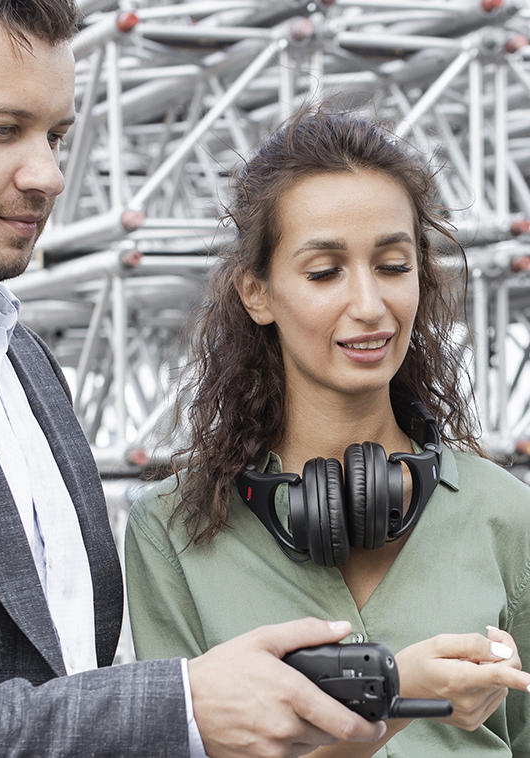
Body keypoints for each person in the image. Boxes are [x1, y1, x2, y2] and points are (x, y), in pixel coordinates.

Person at [0, 3, 390, 757]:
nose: (49, 175)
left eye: (56, 136)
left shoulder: (23, 358)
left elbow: (64, 677)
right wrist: (184, 707)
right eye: (4, 130)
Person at [125, 107, 530, 757]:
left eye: (393, 266)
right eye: (324, 272)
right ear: (257, 293)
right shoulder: (170, 532)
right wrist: (398, 697)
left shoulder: (506, 514)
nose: (370, 306)